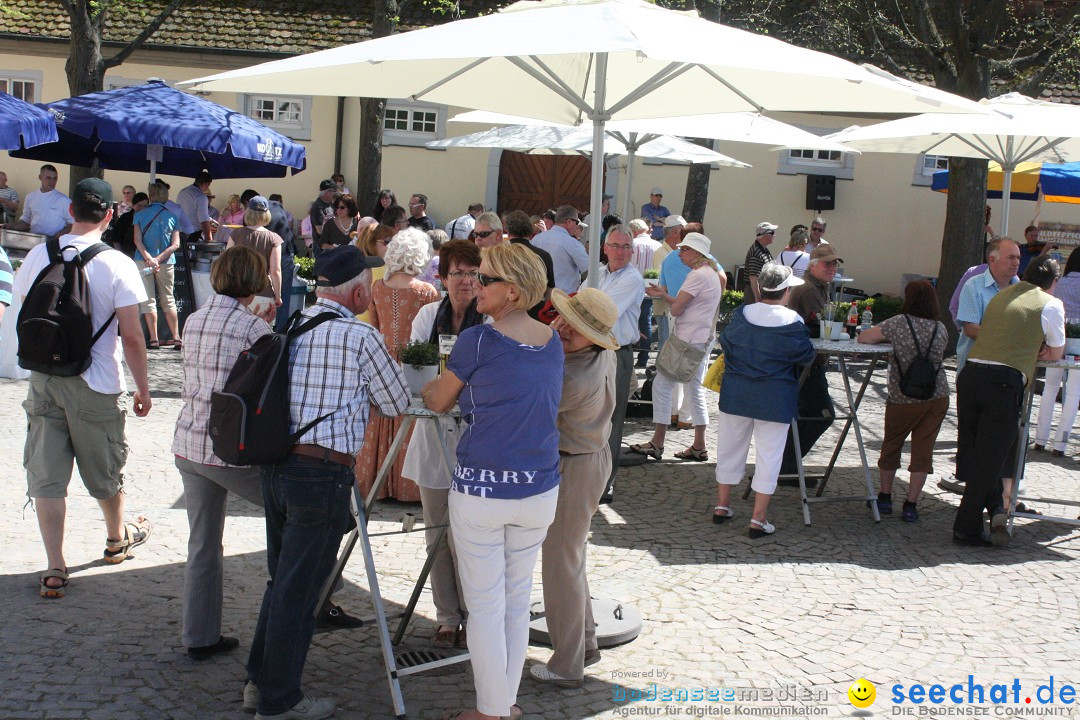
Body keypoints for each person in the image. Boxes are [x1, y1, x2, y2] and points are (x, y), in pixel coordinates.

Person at [244, 244, 409, 719]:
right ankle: (278, 702)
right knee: (301, 592)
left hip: (276, 468)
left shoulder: (292, 323)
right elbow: (396, 402)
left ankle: (259, 681)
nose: (373, 290)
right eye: (370, 283)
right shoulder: (360, 337)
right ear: (357, 288)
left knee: (284, 584)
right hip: (321, 473)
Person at [422, 243, 562, 720]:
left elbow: (439, 400)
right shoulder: (552, 339)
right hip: (539, 487)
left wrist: (430, 384)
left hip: (483, 489)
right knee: (515, 602)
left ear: (514, 291)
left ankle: (491, 711)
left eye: (485, 279)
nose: (475, 285)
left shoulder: (478, 340)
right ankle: (505, 703)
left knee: (485, 607)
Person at [16, 178, 151, 599]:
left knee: (47, 475)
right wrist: (143, 388)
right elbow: (132, 337)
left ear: (70, 211)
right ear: (110, 215)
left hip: (44, 379)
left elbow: (23, 311)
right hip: (96, 382)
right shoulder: (118, 264)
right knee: (106, 468)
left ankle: (55, 566)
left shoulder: (40, 254)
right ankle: (115, 540)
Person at [172, 246, 273, 660]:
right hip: (228, 450)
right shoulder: (251, 328)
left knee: (202, 545)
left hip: (189, 441)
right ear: (254, 281)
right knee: (299, 511)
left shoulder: (195, 319)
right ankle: (321, 595)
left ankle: (199, 636)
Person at [530, 288, 617, 687]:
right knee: (571, 556)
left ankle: (566, 666)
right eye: (564, 318)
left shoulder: (571, 375)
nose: (563, 328)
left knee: (559, 565)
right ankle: (585, 643)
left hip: (574, 465)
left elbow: (529, 405)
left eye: (576, 328)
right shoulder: (600, 355)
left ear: (594, 339)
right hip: (588, 459)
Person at [401, 239, 485, 650]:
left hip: (473, 438)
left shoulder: (487, 321)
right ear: (443, 276)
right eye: (459, 273)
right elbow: (418, 372)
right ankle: (447, 617)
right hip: (432, 436)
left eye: (473, 273)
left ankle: (474, 614)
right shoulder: (426, 316)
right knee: (437, 533)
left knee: (468, 536)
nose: (466, 281)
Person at [953, 255, 1064, 547]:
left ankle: (993, 514)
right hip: (1002, 382)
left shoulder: (1002, 297)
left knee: (975, 453)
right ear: (1053, 281)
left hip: (971, 374)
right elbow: (1055, 352)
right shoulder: (1050, 304)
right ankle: (966, 528)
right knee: (990, 460)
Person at [713, 264, 814, 537]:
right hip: (775, 397)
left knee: (729, 449)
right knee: (769, 456)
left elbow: (727, 342)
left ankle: (722, 505)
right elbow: (806, 355)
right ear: (786, 291)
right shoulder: (793, 321)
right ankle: (758, 519)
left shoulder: (741, 313)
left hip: (737, 393)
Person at [354, 227, 440, 502]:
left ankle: (378, 483)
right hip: (417, 364)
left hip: (382, 361)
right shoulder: (426, 291)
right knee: (410, 421)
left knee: (381, 420)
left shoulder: (378, 287)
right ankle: (406, 487)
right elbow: (432, 336)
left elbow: (375, 329)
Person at [857, 280, 950, 522]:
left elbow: (865, 338)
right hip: (936, 395)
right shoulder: (941, 328)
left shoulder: (899, 323)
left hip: (903, 396)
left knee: (892, 445)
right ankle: (911, 505)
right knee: (923, 451)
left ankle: (885, 498)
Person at [631, 232, 724, 461]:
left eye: (684, 250)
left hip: (687, 340)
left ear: (696, 253)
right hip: (700, 339)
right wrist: (665, 294)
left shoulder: (697, 275)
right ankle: (698, 445)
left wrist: (665, 296)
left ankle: (658, 442)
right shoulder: (710, 273)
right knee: (695, 390)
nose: (680, 253)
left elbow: (677, 310)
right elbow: (684, 305)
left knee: (662, 386)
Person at [583, 224, 643, 498]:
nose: (620, 251)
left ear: (632, 251)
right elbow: (579, 301)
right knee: (590, 415)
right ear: (605, 248)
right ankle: (588, 475)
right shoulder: (598, 273)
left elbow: (602, 311)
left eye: (625, 247)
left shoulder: (632, 278)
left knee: (612, 419)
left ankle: (605, 482)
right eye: (615, 245)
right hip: (591, 350)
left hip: (616, 352)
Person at [779, 243, 843, 482]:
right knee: (822, 415)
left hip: (807, 362)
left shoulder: (817, 286)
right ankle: (787, 466)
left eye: (835, 264)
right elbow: (819, 327)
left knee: (805, 415)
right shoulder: (809, 289)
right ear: (814, 265)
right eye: (828, 263)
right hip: (806, 364)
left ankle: (786, 467)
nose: (833, 268)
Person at [1034, 249, 1080, 457]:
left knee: (1050, 388)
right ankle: (1060, 443)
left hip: (1057, 336)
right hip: (1078, 340)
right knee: (1073, 392)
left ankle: (1040, 439)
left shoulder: (1059, 282)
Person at [956, 237, 1020, 371]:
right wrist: (1007, 340)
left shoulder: (1020, 288)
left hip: (1010, 369)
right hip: (977, 369)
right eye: (1011, 257)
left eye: (1018, 258)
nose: (1016, 263)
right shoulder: (973, 286)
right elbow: (970, 329)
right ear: (992, 260)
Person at [133, 181, 182, 349]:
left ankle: (154, 339)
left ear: (150, 195)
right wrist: (159, 258)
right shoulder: (173, 217)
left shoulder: (139, 215)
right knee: (168, 299)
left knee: (148, 300)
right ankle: (176, 337)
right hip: (166, 262)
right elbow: (175, 244)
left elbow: (137, 240)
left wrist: (149, 258)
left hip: (142, 260)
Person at [226, 196, 283, 321]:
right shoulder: (274, 238)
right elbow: (275, 271)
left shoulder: (235, 234)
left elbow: (226, 264)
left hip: (237, 292)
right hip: (264, 292)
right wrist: (278, 296)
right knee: (262, 335)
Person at [504, 209, 555, 318]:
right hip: (536, 311)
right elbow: (549, 290)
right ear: (530, 230)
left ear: (507, 230)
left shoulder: (501, 255)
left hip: (507, 309)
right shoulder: (543, 255)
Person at [651, 215, 687, 358]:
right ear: (675, 232)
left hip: (674, 306)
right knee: (666, 346)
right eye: (683, 231)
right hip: (666, 309)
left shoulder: (673, 253)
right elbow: (663, 283)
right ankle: (660, 376)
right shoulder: (662, 253)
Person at [532, 205, 589, 293]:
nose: (576, 226)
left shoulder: (536, 239)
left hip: (538, 295)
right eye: (576, 223)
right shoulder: (573, 244)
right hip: (563, 299)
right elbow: (588, 271)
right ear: (569, 221)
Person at [4, 164, 72, 237]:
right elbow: (25, 222)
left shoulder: (64, 201)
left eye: (55, 178)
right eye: (48, 178)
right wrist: (10, 226)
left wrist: (58, 236)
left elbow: (74, 224)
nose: (52, 181)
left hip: (53, 243)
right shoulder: (30, 197)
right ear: (40, 177)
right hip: (34, 240)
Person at [630, 218, 660, 367]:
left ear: (634, 231)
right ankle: (644, 356)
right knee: (645, 321)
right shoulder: (658, 246)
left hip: (632, 289)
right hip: (650, 290)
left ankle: (630, 353)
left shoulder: (633, 244)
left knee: (630, 320)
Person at [176, 170, 214, 242]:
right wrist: (209, 239)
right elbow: (203, 220)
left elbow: (188, 210)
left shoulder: (182, 192)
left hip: (179, 232)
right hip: (193, 234)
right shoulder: (201, 197)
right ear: (206, 184)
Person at [743, 221, 777, 303]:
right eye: (772, 233)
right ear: (765, 235)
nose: (774, 235)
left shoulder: (763, 249)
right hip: (754, 295)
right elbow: (753, 278)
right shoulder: (756, 252)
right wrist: (757, 298)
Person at [109, 191, 148, 256]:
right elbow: (116, 239)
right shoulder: (125, 218)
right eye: (139, 205)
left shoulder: (149, 219)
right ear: (133, 205)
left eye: (145, 206)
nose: (142, 208)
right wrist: (121, 255)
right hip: (126, 254)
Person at [309, 179, 338, 250]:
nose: (336, 193)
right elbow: (320, 230)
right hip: (322, 247)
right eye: (334, 191)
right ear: (327, 192)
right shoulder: (318, 207)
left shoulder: (331, 204)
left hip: (331, 244)